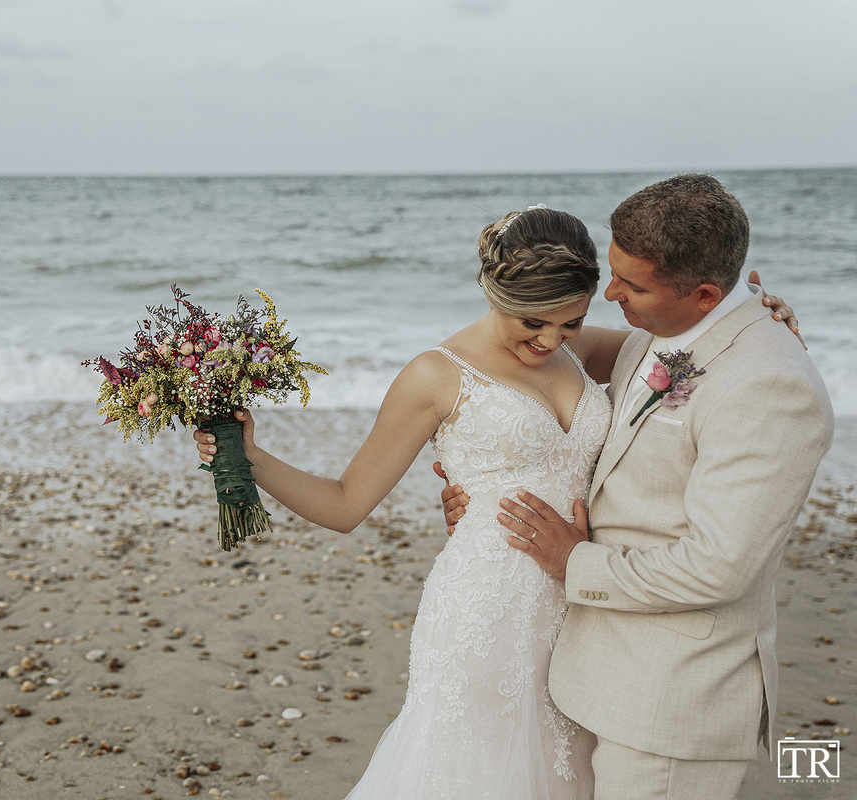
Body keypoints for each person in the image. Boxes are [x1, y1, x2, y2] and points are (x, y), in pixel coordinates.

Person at [191, 202, 799, 799]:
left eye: (570, 322)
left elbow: (697, 353)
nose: (549, 340)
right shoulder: (436, 376)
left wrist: (760, 319)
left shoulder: (582, 352)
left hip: (594, 611)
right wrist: (252, 458)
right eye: (532, 322)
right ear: (494, 294)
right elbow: (346, 504)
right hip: (489, 610)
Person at [439, 174, 834, 800]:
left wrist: (572, 560)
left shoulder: (769, 385)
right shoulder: (664, 331)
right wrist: (482, 477)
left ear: (705, 293)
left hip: (673, 705)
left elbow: (719, 567)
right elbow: (512, 360)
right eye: (614, 269)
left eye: (632, 284)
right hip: (598, 675)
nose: (609, 292)